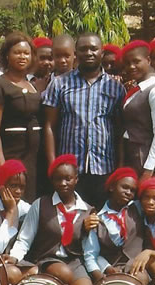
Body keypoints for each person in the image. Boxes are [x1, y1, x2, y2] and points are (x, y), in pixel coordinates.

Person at [42, 32, 126, 206]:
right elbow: (49, 126)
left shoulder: (115, 87)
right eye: (83, 49)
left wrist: (120, 167)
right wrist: (53, 165)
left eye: (94, 49)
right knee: (72, 223)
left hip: (104, 168)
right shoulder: (59, 84)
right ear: (76, 53)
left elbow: (119, 131)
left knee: (100, 222)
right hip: (69, 172)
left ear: (101, 53)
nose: (89, 53)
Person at [7, 154, 93, 285]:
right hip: (47, 259)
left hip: (74, 261)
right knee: (64, 273)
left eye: (68, 178)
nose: (63, 183)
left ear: (76, 179)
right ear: (52, 181)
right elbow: (25, 238)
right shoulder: (40, 204)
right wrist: (14, 257)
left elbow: (89, 248)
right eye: (58, 179)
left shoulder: (87, 210)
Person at [0, 32, 43, 202]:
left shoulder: (32, 85)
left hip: (32, 161)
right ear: (7, 56)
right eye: (17, 52)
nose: (22, 57)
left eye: (26, 53)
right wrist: (3, 168)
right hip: (11, 157)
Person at [81, 167, 149, 285]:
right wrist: (102, 276)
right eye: (124, 187)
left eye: (132, 190)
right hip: (110, 270)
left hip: (135, 266)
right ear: (112, 187)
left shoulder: (137, 208)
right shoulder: (97, 219)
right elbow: (91, 255)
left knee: (138, 280)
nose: (128, 192)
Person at [120, 40, 155, 181]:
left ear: (148, 60)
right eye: (127, 63)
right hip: (134, 157)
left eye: (136, 61)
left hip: (147, 159)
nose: (131, 67)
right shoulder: (135, 90)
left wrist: (149, 169)